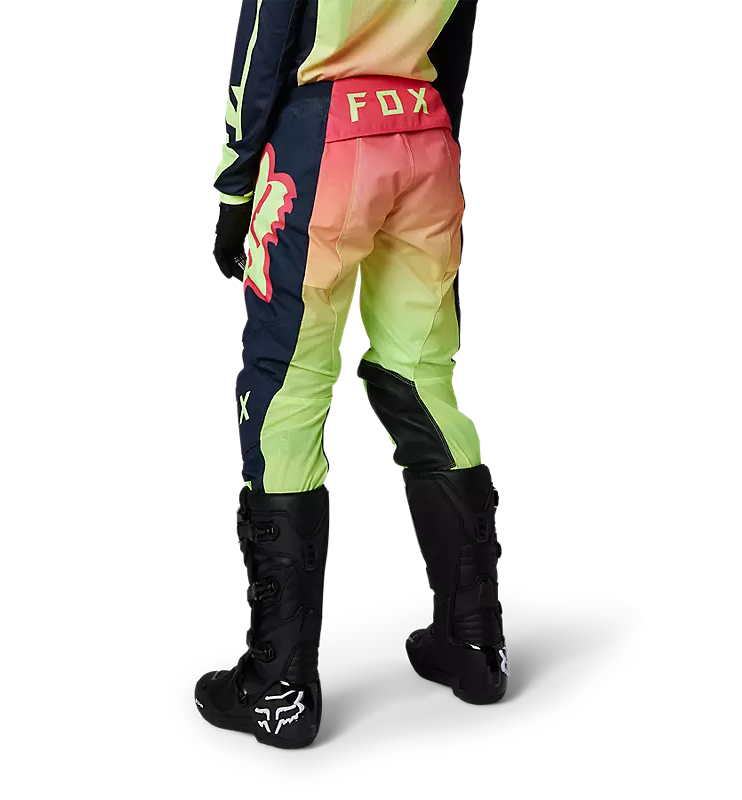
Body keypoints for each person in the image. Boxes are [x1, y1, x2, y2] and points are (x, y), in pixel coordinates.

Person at [195, 0, 508, 749]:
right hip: (426, 133)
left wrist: (236, 188)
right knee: (422, 377)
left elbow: (264, 40)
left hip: (320, 143)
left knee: (286, 387)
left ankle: (280, 686)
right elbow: (457, 40)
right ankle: (476, 643)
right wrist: (440, 137)